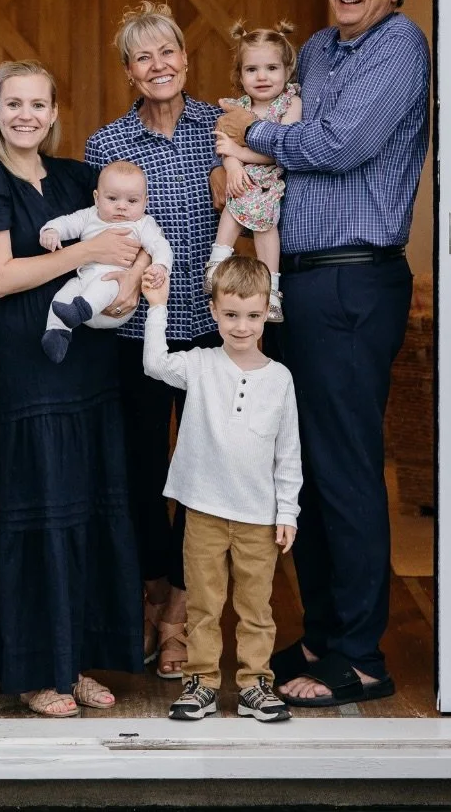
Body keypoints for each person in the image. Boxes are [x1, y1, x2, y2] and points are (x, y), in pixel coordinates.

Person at [215, 0, 430, 708]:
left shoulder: (399, 46)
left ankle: (362, 657)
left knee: (344, 470)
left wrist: (249, 132)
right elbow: (279, 142)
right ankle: (324, 631)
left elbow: (337, 144)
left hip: (352, 283)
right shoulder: (315, 48)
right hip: (295, 283)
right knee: (299, 474)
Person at [0, 60, 144, 717]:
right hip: (27, 371)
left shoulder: (78, 179)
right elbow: (2, 277)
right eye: (14, 103)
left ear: (55, 110)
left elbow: (134, 236)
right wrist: (85, 256)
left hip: (91, 368)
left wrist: (125, 289)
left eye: (38, 103)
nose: (26, 114)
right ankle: (36, 671)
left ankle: (76, 664)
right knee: (35, 513)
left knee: (86, 512)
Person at [85, 2, 223, 681]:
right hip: (135, 334)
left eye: (168, 51)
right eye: (144, 57)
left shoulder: (220, 131)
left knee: (200, 474)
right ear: (128, 72)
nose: (159, 65)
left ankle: (180, 614)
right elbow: (100, 239)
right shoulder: (107, 144)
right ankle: (146, 593)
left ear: (186, 59)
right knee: (139, 474)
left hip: (211, 331)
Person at [141, 256, 301, 723]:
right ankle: (202, 682)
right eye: (231, 315)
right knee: (204, 605)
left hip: (258, 516)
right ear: (213, 311)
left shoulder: (280, 379)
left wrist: (287, 512)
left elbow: (287, 453)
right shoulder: (200, 365)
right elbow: (153, 363)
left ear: (267, 311)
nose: (242, 326)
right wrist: (157, 306)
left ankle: (255, 683)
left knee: (256, 607)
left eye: (253, 315)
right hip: (204, 512)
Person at [204, 21, 302, 323]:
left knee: (266, 228)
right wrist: (232, 168)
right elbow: (223, 141)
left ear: (287, 71)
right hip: (242, 181)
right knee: (230, 211)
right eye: (252, 70)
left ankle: (271, 291)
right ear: (240, 75)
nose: (262, 77)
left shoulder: (290, 104)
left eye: (272, 68)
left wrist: (238, 154)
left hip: (269, 185)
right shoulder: (237, 107)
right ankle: (217, 262)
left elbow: (280, 149)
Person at [38, 160, 173, 363]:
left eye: (132, 201)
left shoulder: (143, 223)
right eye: (112, 198)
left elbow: (160, 245)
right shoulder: (89, 215)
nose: (121, 206)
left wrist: (160, 266)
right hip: (84, 284)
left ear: (146, 202)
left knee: (106, 283)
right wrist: (51, 231)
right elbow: (66, 222)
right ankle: (58, 333)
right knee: (64, 293)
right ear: (96, 197)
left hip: (117, 296)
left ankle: (79, 310)